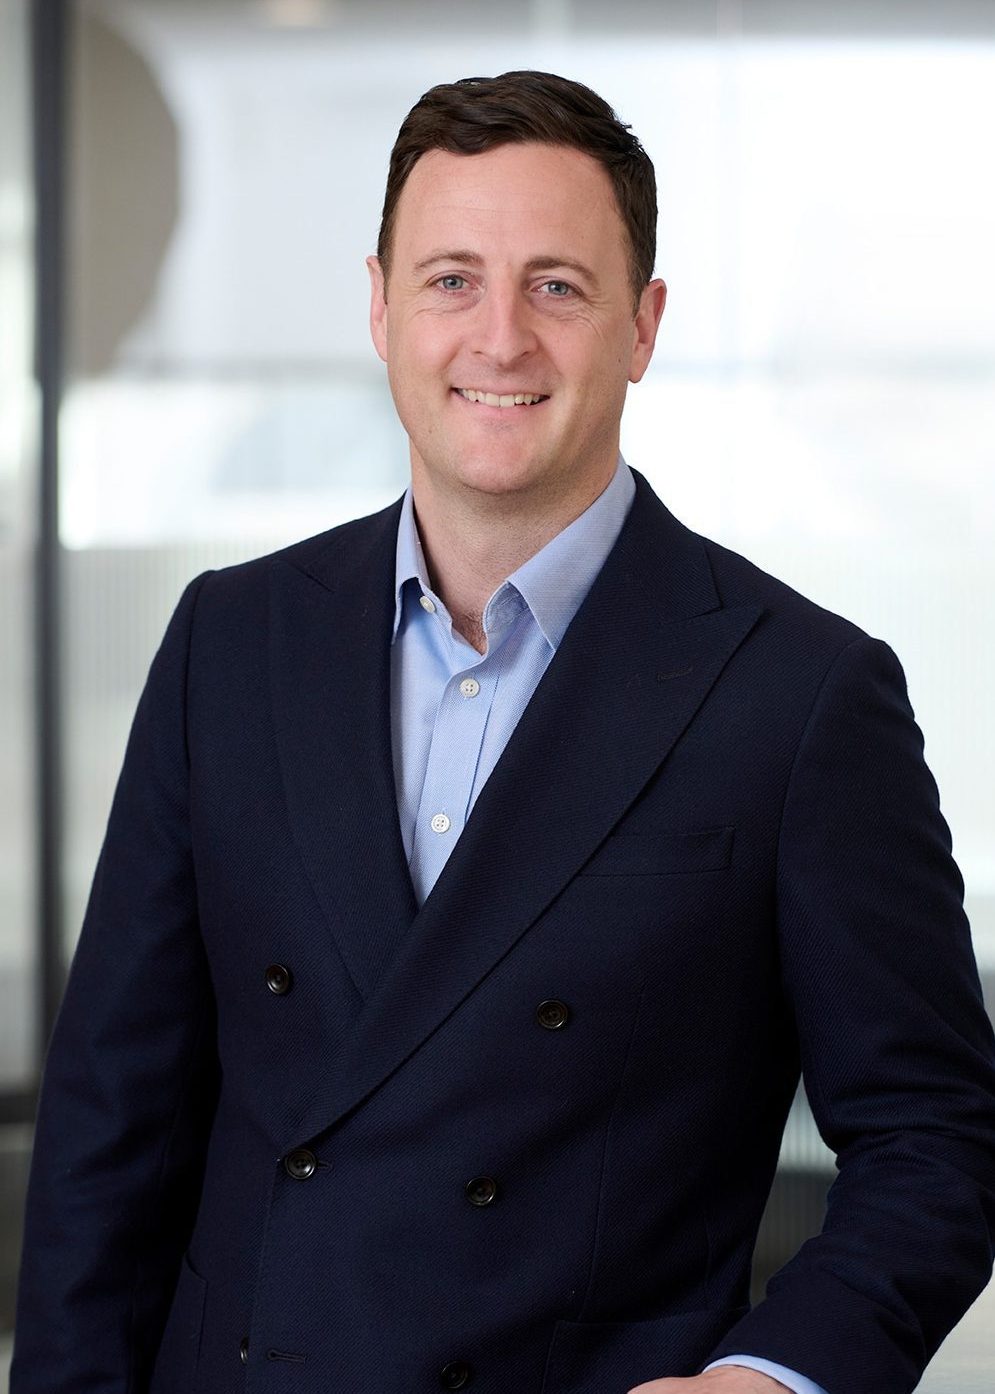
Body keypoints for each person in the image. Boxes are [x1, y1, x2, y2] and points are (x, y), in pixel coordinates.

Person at [12, 70, 995, 1394]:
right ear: (380, 309)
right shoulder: (230, 642)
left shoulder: (803, 693)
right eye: (452, 280)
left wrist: (770, 1377)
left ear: (642, 326)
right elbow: (108, 1131)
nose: (500, 338)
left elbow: (937, 1136)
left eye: (557, 287)